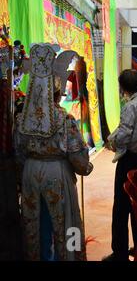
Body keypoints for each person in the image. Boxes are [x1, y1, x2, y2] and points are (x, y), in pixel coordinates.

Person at [14, 44, 93, 261]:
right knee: (66, 223)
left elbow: (18, 152)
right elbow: (77, 156)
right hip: (56, 173)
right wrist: (85, 166)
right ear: (57, 92)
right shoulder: (64, 119)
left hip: (30, 172)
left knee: (36, 223)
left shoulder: (21, 119)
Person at [104, 69, 137, 261]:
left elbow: (124, 134)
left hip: (129, 160)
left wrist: (112, 141)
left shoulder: (129, 107)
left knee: (121, 207)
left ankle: (120, 253)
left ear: (123, 88)